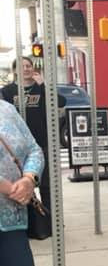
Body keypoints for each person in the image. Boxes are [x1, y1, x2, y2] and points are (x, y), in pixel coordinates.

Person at [0, 100, 56, 266]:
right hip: (11, 198)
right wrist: (9, 187)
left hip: (11, 217)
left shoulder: (7, 110)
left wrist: (29, 178)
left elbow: (34, 149)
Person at [2, 56, 66, 226]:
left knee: (47, 186)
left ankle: (52, 221)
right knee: (19, 186)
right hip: (15, 149)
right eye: (21, 67)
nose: (26, 69)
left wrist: (43, 85)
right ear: (15, 71)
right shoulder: (8, 92)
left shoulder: (41, 89)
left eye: (28, 66)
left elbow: (61, 102)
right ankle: (29, 224)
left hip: (40, 143)